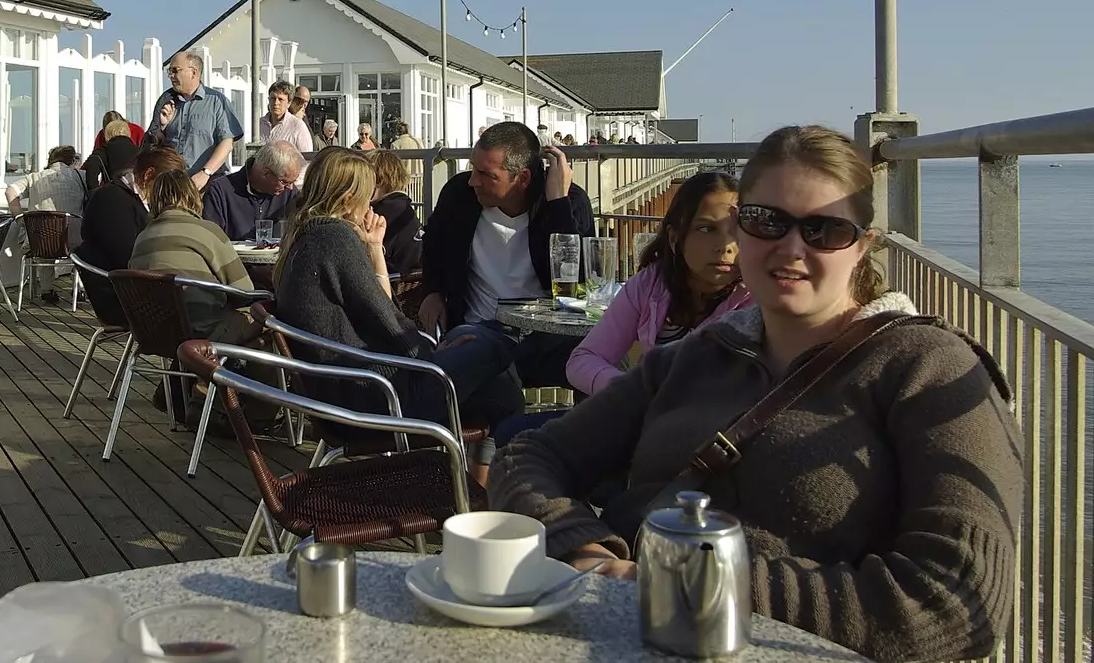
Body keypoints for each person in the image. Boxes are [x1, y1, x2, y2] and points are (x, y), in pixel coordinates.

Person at [489, 125, 1022, 663]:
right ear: (741, 230)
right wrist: (590, 550)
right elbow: (530, 457)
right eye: (766, 221)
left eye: (825, 230)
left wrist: (687, 582)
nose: (791, 248)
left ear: (864, 246)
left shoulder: (928, 369)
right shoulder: (697, 356)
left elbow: (959, 603)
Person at [272, 149, 523, 429]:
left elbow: (381, 308)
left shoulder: (304, 237)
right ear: (348, 200)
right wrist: (434, 353)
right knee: (494, 348)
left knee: (500, 392)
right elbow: (387, 319)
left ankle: (471, 470)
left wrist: (375, 247)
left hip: (345, 395)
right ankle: (487, 468)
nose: (371, 206)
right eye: (368, 197)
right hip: (375, 397)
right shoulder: (335, 239)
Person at [416, 122, 596, 396]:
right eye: (473, 168)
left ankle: (587, 438)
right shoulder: (459, 195)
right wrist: (432, 290)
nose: (472, 180)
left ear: (522, 178)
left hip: (546, 337)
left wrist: (557, 204)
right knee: (468, 361)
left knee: (602, 359)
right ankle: (392, 422)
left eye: (485, 174)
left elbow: (578, 286)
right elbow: (432, 245)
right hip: (481, 330)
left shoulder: (569, 202)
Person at [566, 172, 751, 395]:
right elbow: (584, 359)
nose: (725, 246)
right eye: (706, 229)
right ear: (675, 238)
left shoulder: (758, 300)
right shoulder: (652, 285)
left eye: (738, 230)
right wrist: (632, 391)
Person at [129, 169, 261, 343]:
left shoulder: (142, 238)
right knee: (266, 321)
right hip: (205, 333)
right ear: (193, 195)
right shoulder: (208, 231)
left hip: (154, 333)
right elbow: (244, 292)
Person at [76, 140, 185, 272]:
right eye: (165, 185)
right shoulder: (112, 201)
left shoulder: (125, 195)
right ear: (148, 175)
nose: (168, 191)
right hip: (120, 284)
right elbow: (126, 256)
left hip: (129, 279)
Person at [145, 49, 243, 189]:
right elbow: (155, 144)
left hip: (207, 186)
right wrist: (162, 127)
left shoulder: (217, 101)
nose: (171, 76)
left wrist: (205, 173)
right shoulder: (167, 101)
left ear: (193, 72)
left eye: (175, 70)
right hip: (174, 185)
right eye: (169, 71)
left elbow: (227, 143)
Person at [200, 140, 301, 242]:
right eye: (284, 182)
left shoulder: (290, 195)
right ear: (266, 174)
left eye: (293, 182)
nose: (290, 187)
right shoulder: (219, 192)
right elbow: (211, 241)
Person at [368, 149, 421, 275]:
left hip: (391, 283)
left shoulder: (379, 215)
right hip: (414, 284)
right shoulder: (404, 208)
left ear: (378, 180)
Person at [5, 145, 85, 217]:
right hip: (73, 231)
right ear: (72, 161)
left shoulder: (34, 178)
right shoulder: (81, 176)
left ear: (50, 160)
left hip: (38, 231)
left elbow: (10, 191)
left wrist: (20, 218)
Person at [257, 80, 313, 153]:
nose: (276, 103)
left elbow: (307, 157)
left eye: (280, 99)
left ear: (289, 103)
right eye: (273, 98)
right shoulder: (259, 125)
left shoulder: (297, 126)